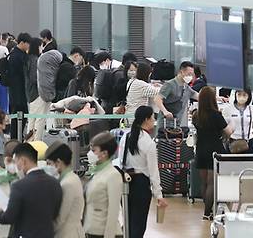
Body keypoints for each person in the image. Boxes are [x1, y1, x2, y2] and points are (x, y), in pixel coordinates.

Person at [114, 106, 169, 238]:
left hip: (125, 182)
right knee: (138, 225)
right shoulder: (148, 142)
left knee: (128, 222)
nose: (154, 121)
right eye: (152, 118)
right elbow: (153, 171)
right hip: (141, 185)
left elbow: (120, 161)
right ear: (146, 119)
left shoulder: (125, 137)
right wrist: (159, 195)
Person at [0, 142, 62, 238]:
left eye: (16, 162)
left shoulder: (19, 186)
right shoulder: (55, 183)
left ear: (23, 161)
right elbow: (55, 213)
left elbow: (8, 218)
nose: (16, 166)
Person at [192, 87, 234, 220]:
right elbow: (228, 132)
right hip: (214, 151)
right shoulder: (216, 115)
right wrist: (232, 124)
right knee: (212, 183)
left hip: (200, 150)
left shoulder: (196, 115)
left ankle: (207, 212)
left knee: (204, 183)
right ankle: (207, 212)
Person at [84, 132, 123, 238]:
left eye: (93, 150)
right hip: (91, 230)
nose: (90, 154)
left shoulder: (113, 175)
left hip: (104, 233)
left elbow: (113, 211)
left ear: (104, 153)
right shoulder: (96, 172)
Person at [45, 141, 85, 238]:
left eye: (49, 163)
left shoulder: (68, 183)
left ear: (58, 162)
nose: (47, 167)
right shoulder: (71, 178)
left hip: (67, 233)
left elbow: (61, 217)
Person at [154, 61, 199, 131]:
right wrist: (165, 111)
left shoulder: (186, 87)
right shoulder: (170, 84)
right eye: (189, 74)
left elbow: (198, 95)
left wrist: (215, 98)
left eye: (192, 74)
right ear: (181, 72)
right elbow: (157, 99)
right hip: (165, 123)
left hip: (177, 123)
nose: (190, 77)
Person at [33, 50, 63, 140]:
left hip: (38, 93)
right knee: (41, 119)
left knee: (36, 119)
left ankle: (34, 140)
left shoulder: (39, 60)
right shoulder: (37, 60)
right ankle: (37, 140)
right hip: (44, 95)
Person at [8, 33, 31, 140]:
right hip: (18, 92)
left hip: (14, 91)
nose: (28, 46)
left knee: (17, 116)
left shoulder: (13, 54)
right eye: (28, 44)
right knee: (19, 115)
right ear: (22, 43)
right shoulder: (19, 56)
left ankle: (16, 138)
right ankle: (16, 139)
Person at [222, 89, 253, 153]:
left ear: (248, 97)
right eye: (239, 94)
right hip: (234, 142)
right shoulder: (228, 109)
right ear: (235, 95)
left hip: (249, 141)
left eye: (244, 95)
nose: (241, 97)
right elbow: (225, 125)